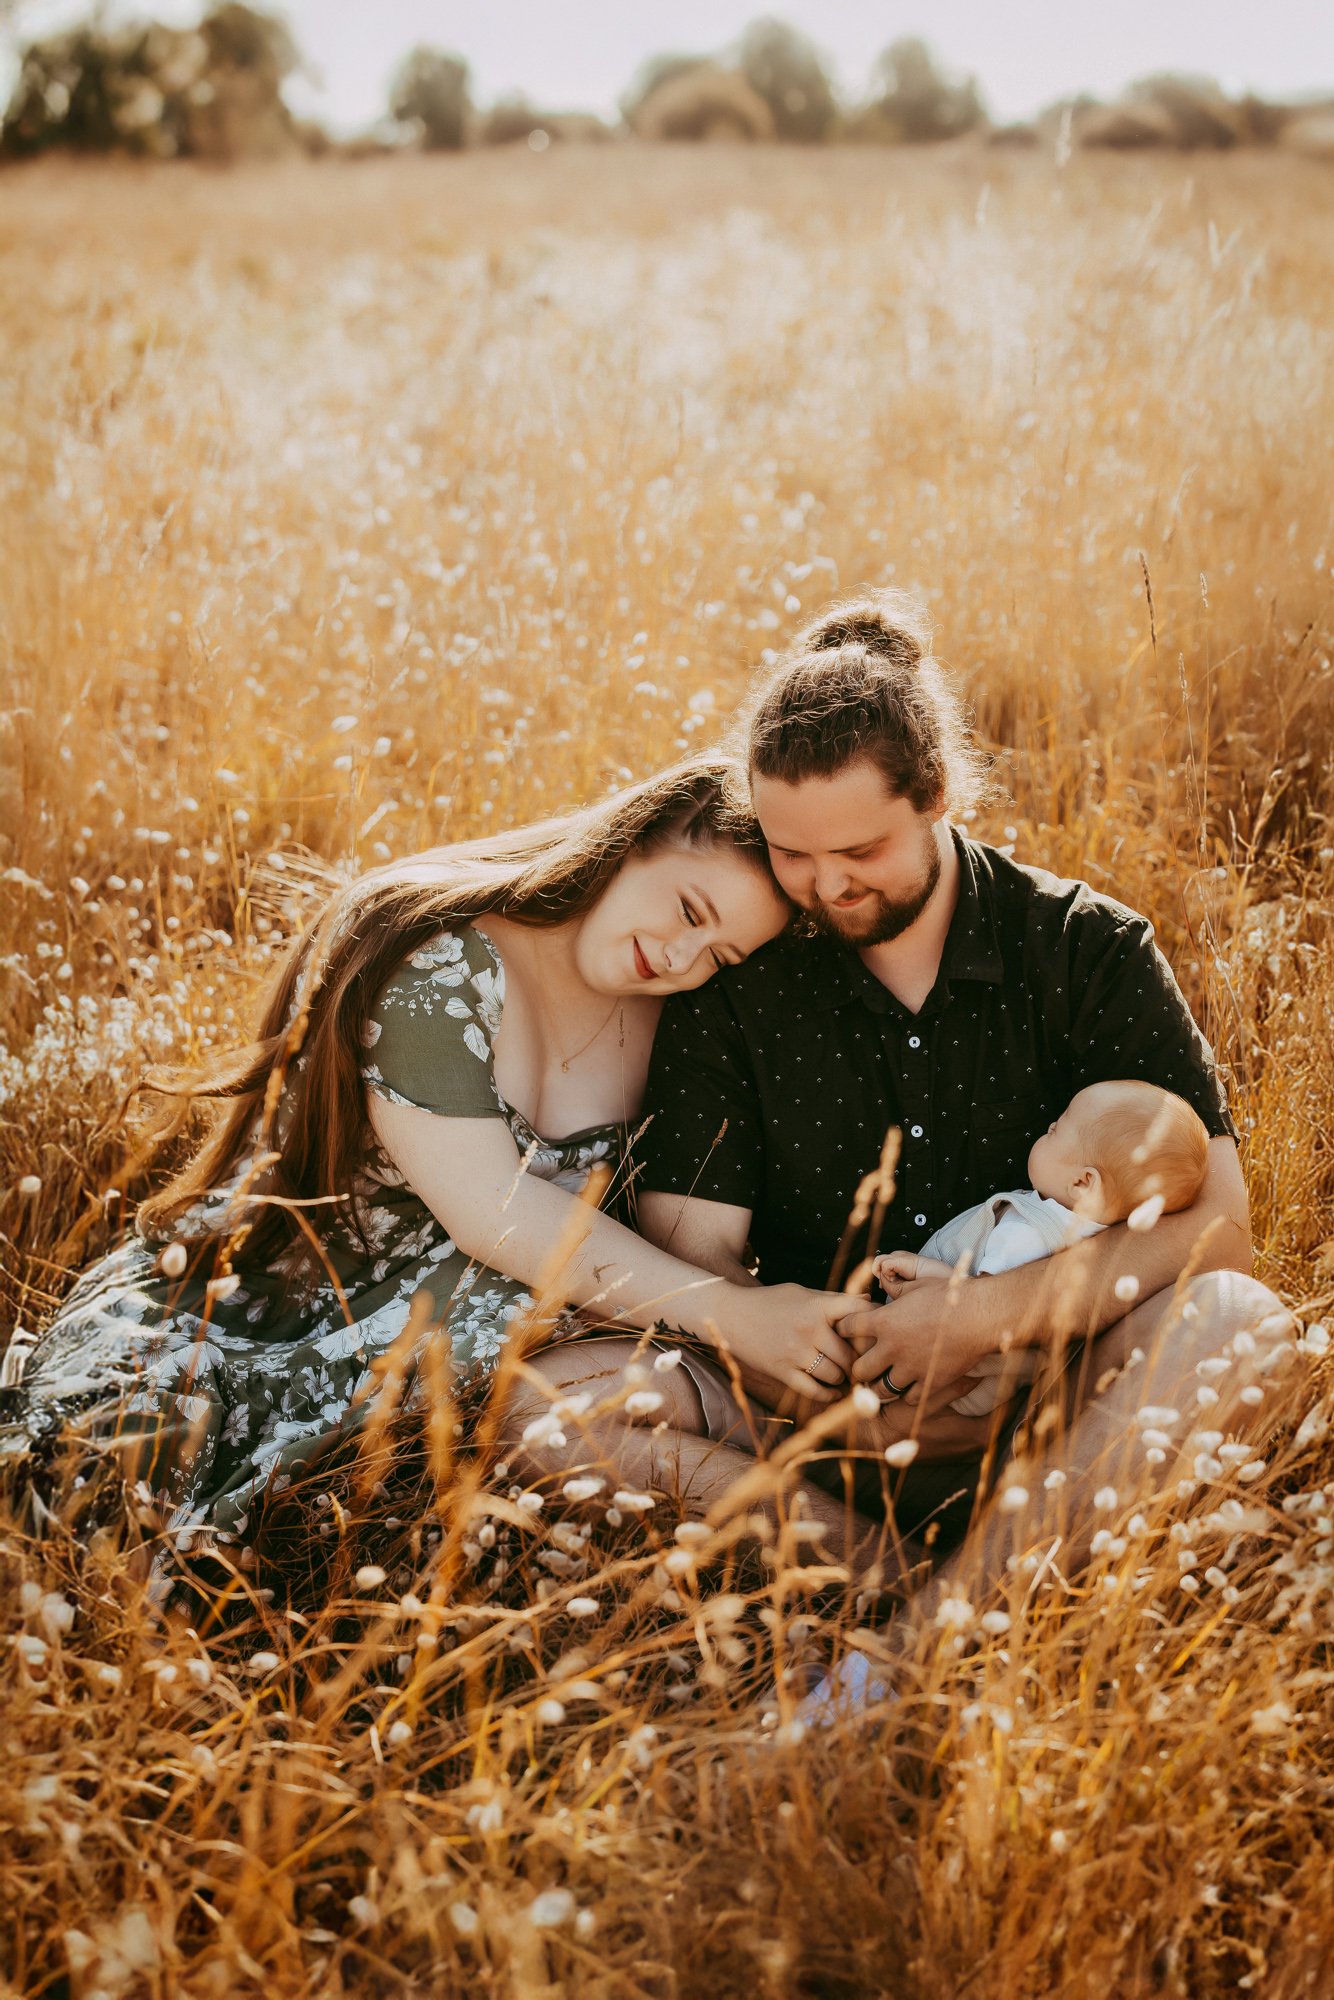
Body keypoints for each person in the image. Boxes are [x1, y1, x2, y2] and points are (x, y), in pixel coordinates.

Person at [3, 760, 888, 1569]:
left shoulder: (677, 1015)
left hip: (480, 1362)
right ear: (637, 837)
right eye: (691, 912)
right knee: (95, 1498)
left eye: (720, 954)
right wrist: (733, 1313)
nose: (682, 960)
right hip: (279, 1321)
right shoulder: (440, 953)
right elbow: (492, 1212)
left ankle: (887, 1539)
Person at [635, 593, 1294, 1643]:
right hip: (817, 1424)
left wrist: (985, 1322)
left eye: (857, 849)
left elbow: (1220, 1232)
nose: (822, 886)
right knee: (553, 1403)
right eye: (789, 852)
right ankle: (931, 1588)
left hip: (1060, 1394)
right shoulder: (739, 978)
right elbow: (690, 1262)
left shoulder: (1084, 949)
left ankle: (905, 1658)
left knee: (1237, 1324)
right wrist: (830, 1365)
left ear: (937, 793)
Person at [869, 1079, 1210, 1417]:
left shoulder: (1028, 1233)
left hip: (955, 1371)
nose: (1048, 1126)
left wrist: (918, 1269)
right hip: (1001, 1389)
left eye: (1057, 1129)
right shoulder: (1100, 1244)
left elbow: (967, 1306)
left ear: (1082, 1182)